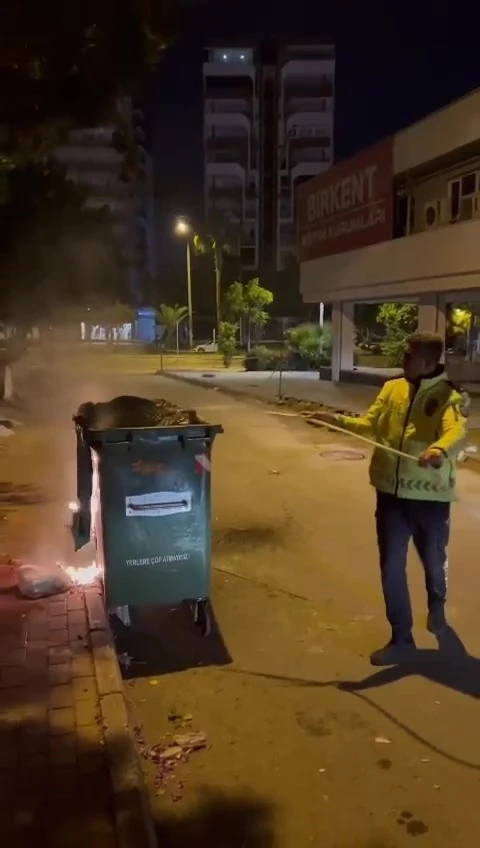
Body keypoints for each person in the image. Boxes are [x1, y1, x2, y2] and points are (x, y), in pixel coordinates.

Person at [315, 332, 468, 666]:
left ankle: (437, 607)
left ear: (429, 362)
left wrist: (439, 450)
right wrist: (335, 420)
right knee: (391, 568)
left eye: (409, 356)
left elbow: (457, 433)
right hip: (391, 496)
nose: (404, 360)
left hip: (429, 499)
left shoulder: (448, 397)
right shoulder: (392, 388)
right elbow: (370, 424)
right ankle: (401, 637)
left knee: (433, 562)